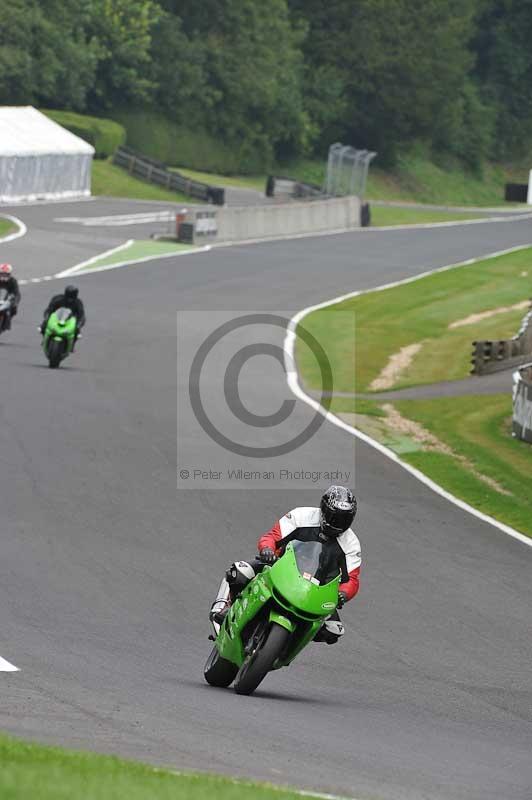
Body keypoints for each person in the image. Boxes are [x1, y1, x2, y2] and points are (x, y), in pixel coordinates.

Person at [209, 486, 361, 645]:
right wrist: (267, 549)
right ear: (323, 509)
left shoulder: (351, 544)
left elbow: (352, 579)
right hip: (279, 567)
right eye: (333, 516)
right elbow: (272, 536)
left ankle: (290, 642)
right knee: (238, 572)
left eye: (344, 519)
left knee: (333, 630)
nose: (337, 523)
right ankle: (224, 607)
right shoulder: (301, 516)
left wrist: (343, 594)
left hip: (316, 589)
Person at [0, 263, 21, 330]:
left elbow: (16, 292)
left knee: (14, 309)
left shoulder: (13, 281)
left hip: (8, 298)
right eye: (2, 274)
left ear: (9, 274)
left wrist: (14, 301)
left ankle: (7, 322)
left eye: (6, 274)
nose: (4, 276)